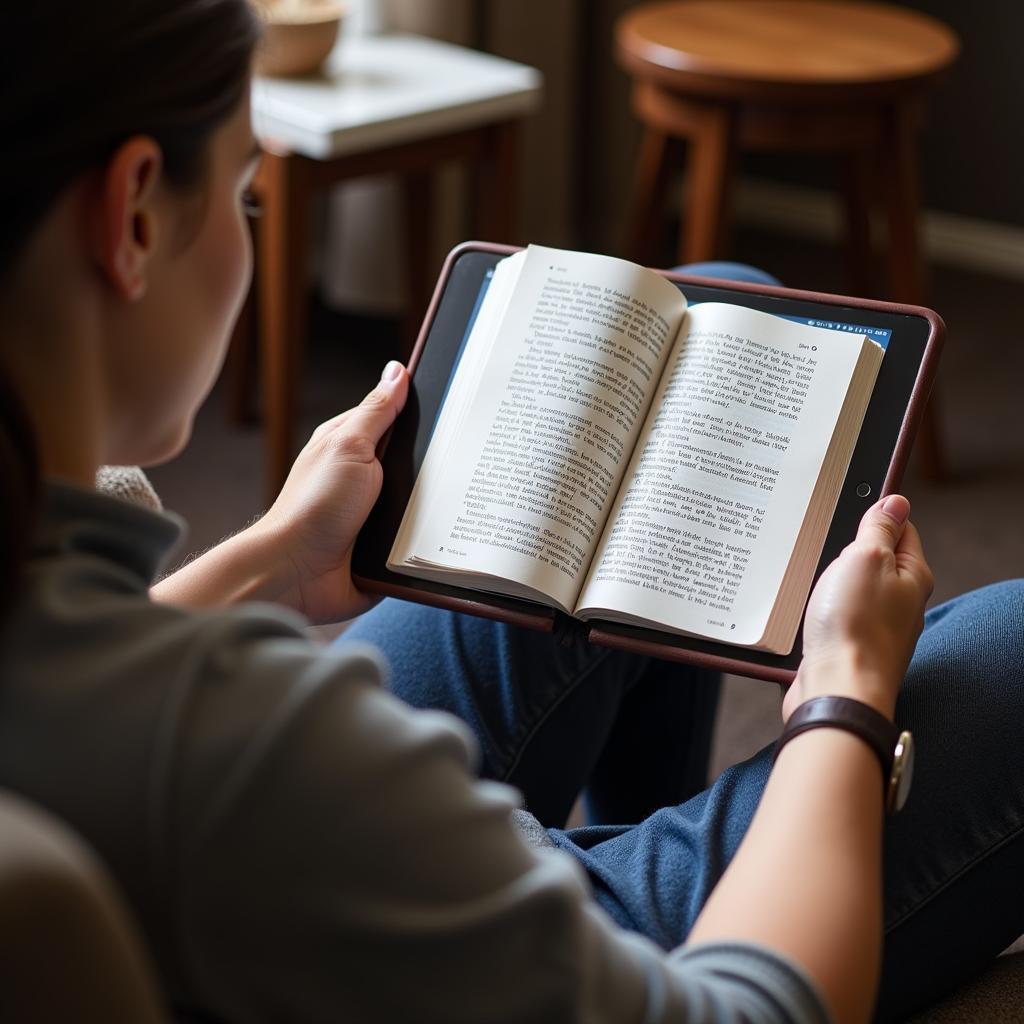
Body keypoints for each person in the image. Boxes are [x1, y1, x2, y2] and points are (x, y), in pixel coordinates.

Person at [2, 2, 1023, 1022]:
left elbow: (72, 673)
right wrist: (842, 700)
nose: (250, 230)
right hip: (386, 899)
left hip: (277, 849)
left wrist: (274, 555)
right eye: (247, 195)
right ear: (134, 217)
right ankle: (692, 872)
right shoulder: (258, 739)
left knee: (723, 298)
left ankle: (675, 837)